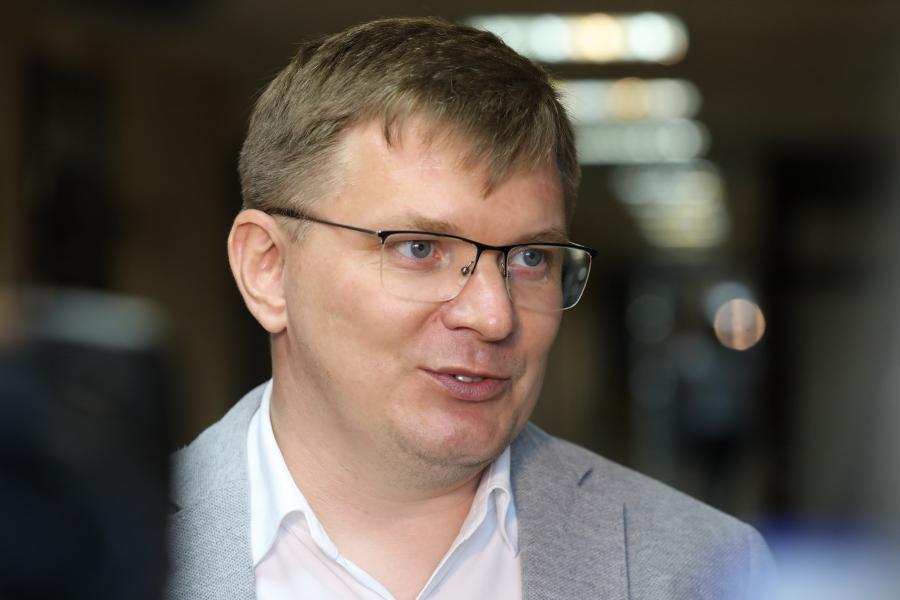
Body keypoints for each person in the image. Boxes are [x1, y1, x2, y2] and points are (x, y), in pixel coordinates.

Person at [166, 17, 774, 600]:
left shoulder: (707, 567)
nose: (494, 316)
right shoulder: (114, 552)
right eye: (419, 249)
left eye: (531, 259)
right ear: (268, 269)